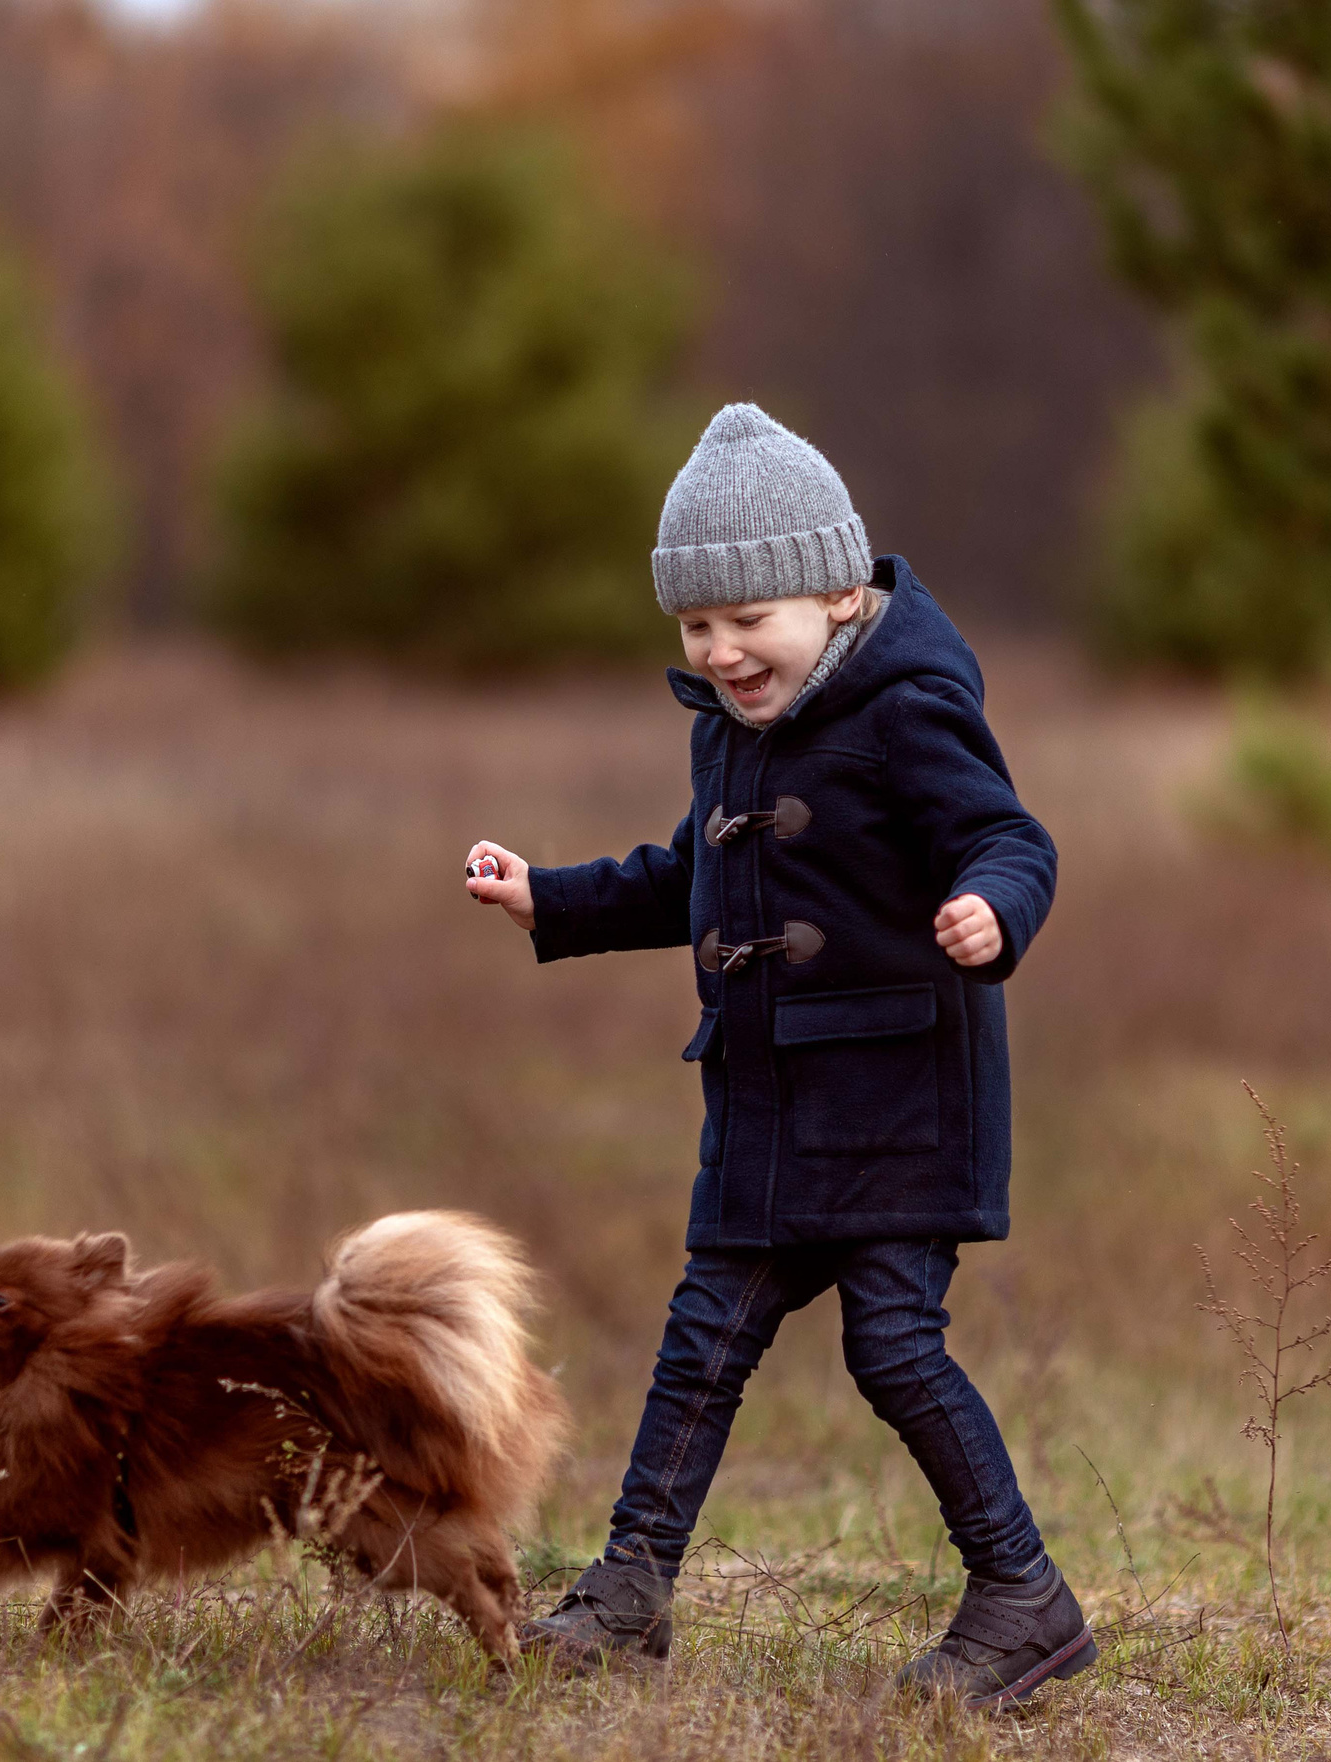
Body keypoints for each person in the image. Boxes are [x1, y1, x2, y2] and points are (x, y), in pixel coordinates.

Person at [464, 403, 1090, 1707]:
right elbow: (692, 873)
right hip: (768, 1101)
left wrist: (993, 908)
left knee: (894, 1345)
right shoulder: (730, 728)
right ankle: (630, 1587)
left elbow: (1010, 837)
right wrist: (551, 898)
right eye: (697, 626)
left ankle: (1022, 1596)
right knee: (703, 1337)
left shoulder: (906, 707)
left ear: (839, 594)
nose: (722, 651)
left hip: (900, 1098)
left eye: (750, 618)